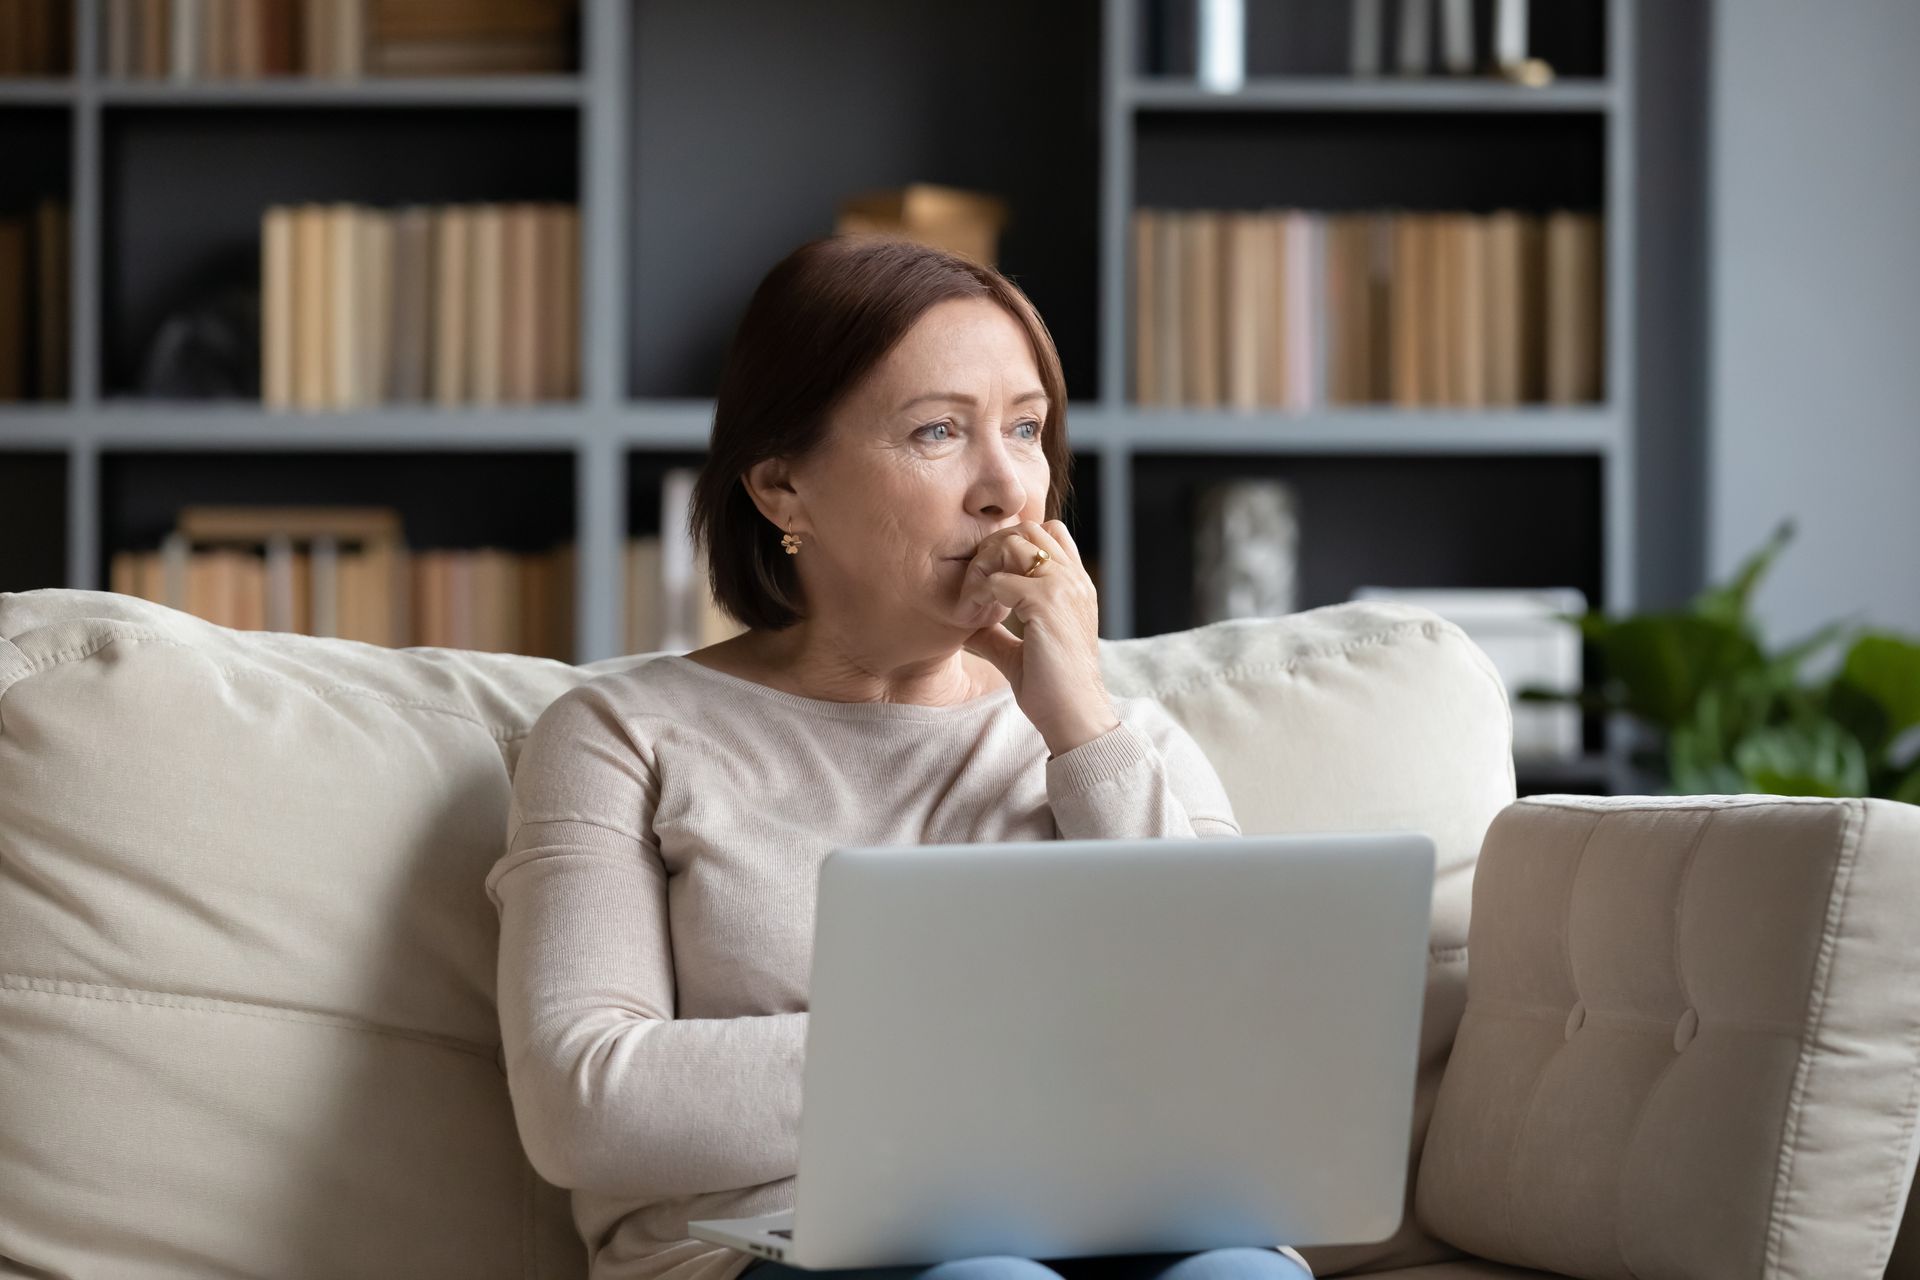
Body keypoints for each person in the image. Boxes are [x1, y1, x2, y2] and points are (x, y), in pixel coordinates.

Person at [484, 233, 1312, 1280]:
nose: (1009, 488)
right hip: (787, 1247)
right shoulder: (619, 735)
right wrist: (1017, 1054)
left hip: (1115, 1224)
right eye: (937, 432)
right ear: (783, 488)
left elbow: (1237, 1064)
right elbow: (584, 1102)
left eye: (1026, 428)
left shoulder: (1114, 735)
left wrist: (1082, 734)